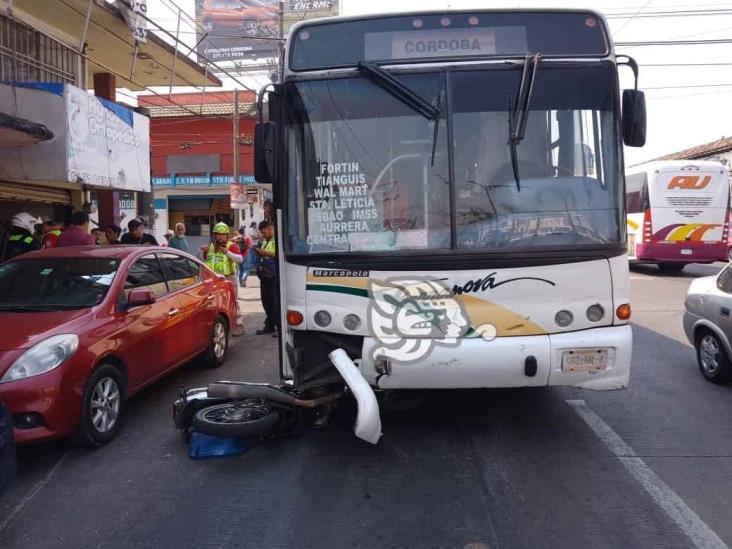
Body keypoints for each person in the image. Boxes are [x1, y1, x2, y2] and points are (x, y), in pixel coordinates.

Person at [200, 222, 245, 336]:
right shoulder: (211, 246)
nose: (220, 236)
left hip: (228, 278)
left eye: (222, 234)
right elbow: (204, 260)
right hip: (214, 280)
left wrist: (227, 252)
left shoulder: (231, 245)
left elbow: (240, 259)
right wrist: (203, 253)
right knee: (216, 305)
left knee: (233, 302)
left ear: (227, 235)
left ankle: (239, 326)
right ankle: (222, 327)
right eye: (218, 234)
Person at [254, 220, 279, 336]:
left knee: (275, 301)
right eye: (262, 233)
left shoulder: (277, 240)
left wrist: (264, 252)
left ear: (270, 228)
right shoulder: (265, 241)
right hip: (265, 274)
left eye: (264, 232)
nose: (263, 235)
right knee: (266, 301)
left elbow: (278, 254)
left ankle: (279, 327)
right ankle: (269, 325)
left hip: (274, 275)